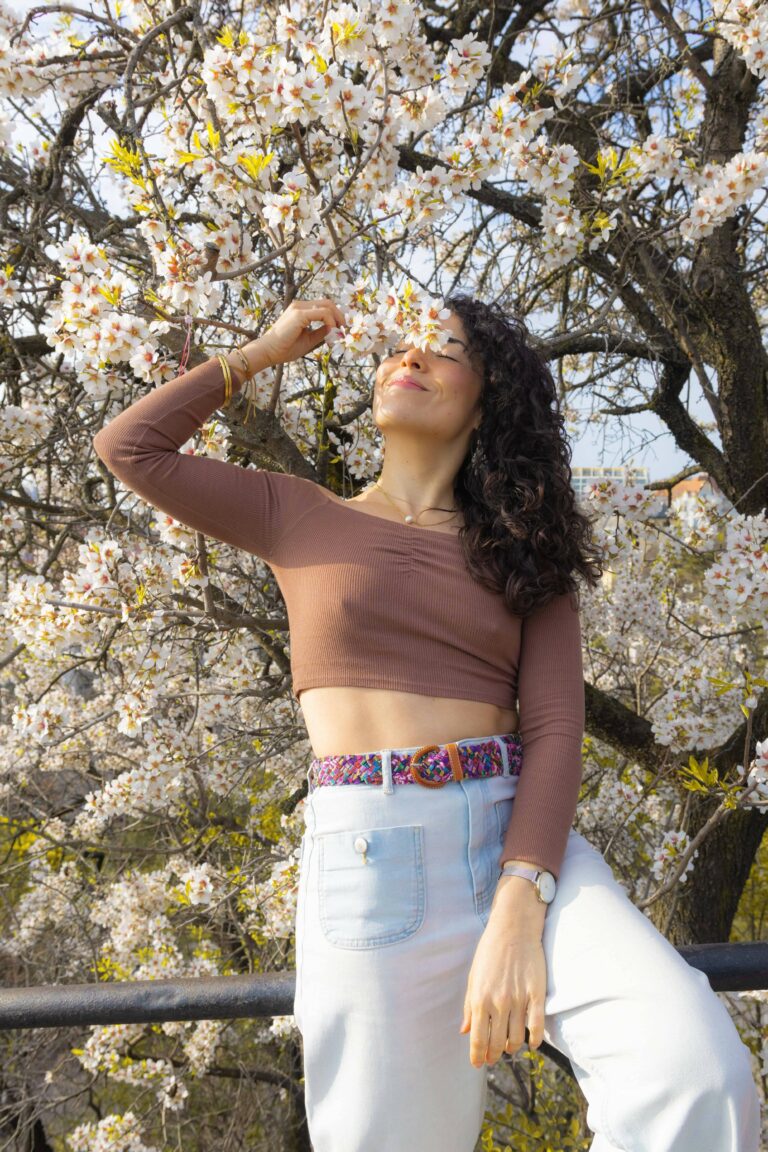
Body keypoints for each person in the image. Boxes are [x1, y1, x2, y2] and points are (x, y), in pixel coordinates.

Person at [93, 295, 761, 1152]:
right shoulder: (297, 514)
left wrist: (521, 902)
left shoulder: (527, 548)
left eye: (444, 350)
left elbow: (555, 728)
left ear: (488, 401)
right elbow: (130, 447)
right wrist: (260, 353)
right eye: (402, 347)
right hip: (372, 860)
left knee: (695, 1073)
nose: (409, 358)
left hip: (521, 845)